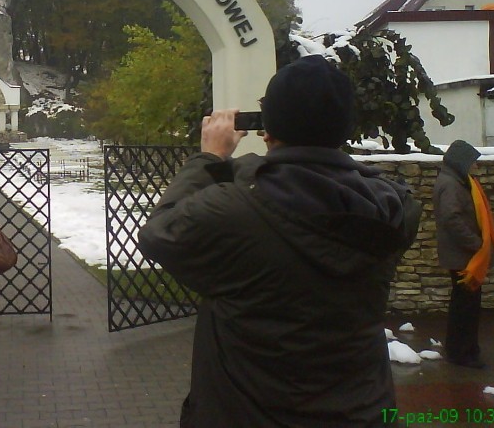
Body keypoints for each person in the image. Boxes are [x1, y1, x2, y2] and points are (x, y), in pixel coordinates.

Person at [138, 55, 421, 428]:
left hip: (251, 412)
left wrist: (210, 157)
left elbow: (160, 233)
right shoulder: (394, 207)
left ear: (268, 130)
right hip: (361, 411)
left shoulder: (235, 210)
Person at [434, 139, 494, 369]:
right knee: (465, 307)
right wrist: (477, 244)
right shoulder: (451, 185)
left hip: (464, 256)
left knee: (466, 304)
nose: (475, 167)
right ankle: (460, 353)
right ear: (461, 163)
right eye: (472, 162)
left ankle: (466, 349)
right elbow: (451, 219)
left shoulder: (457, 181)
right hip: (462, 256)